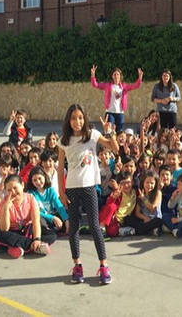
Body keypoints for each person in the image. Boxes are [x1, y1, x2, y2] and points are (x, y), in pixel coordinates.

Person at [57, 104, 119, 285]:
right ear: (69, 121)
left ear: (85, 119)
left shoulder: (92, 135)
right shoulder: (64, 141)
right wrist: (61, 192)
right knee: (74, 228)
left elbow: (114, 149)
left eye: (80, 118)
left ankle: (104, 265)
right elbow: (61, 169)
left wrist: (110, 132)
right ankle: (77, 265)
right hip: (72, 189)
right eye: (74, 118)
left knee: (94, 226)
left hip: (90, 187)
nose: (77, 122)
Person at [0, 174, 52, 258]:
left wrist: (37, 239)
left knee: (51, 235)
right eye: (9, 190)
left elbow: (36, 221)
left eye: (15, 188)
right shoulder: (4, 203)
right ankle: (33, 246)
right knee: (1, 235)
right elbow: (4, 228)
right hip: (12, 232)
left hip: (27, 230)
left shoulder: (30, 198)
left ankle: (18, 247)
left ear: (22, 185)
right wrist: (6, 209)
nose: (12, 192)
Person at [91, 64, 143, 132]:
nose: (116, 76)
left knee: (119, 132)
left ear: (120, 76)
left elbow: (136, 85)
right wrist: (93, 75)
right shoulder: (108, 85)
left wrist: (140, 77)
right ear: (112, 76)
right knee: (109, 131)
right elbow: (96, 84)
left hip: (120, 113)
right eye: (114, 74)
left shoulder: (124, 86)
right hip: (110, 112)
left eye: (117, 74)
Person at [27, 166, 68, 238]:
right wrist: (52, 218)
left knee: (68, 215)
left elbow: (59, 206)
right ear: (31, 182)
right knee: (38, 219)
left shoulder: (51, 190)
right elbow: (36, 212)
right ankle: (48, 232)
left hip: (53, 216)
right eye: (35, 180)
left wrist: (66, 220)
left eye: (40, 178)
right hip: (44, 218)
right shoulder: (31, 194)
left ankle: (54, 230)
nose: (38, 182)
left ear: (44, 177)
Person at [99, 171, 138, 237]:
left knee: (112, 232)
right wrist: (113, 198)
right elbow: (108, 206)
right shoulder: (118, 193)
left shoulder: (136, 192)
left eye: (128, 182)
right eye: (123, 183)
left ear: (132, 182)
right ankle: (101, 228)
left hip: (120, 222)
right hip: (110, 219)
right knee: (112, 206)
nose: (126, 185)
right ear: (119, 184)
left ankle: (96, 229)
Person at [127, 170, 164, 236]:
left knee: (159, 221)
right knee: (128, 218)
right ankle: (149, 231)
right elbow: (137, 213)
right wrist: (144, 218)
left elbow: (152, 208)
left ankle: (136, 231)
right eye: (147, 182)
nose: (149, 185)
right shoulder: (141, 193)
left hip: (154, 219)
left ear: (155, 184)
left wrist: (143, 198)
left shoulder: (158, 193)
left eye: (152, 183)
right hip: (145, 219)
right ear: (143, 182)